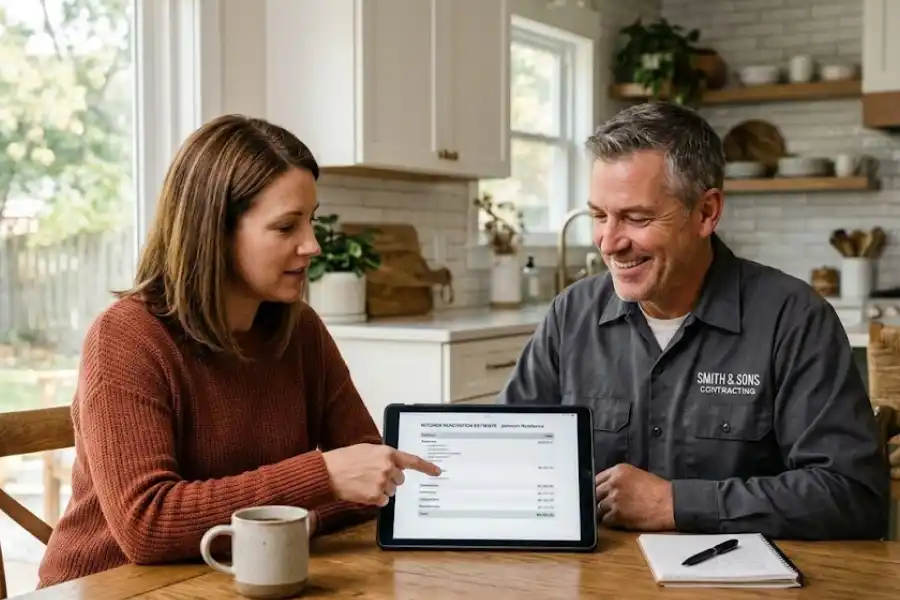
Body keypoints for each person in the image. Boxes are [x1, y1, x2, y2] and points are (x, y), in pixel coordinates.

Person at [37, 114, 440, 587]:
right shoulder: (127, 338)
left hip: (241, 581)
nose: (311, 245)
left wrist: (302, 512)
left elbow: (370, 471)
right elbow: (147, 525)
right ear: (215, 232)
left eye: (310, 221)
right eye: (286, 226)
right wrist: (318, 480)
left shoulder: (300, 330)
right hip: (113, 587)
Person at [498, 102, 890, 540]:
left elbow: (854, 496)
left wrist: (676, 504)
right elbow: (505, 455)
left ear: (706, 213)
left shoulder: (794, 319)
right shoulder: (571, 315)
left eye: (636, 217)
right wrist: (411, 474)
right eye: (599, 215)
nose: (609, 242)